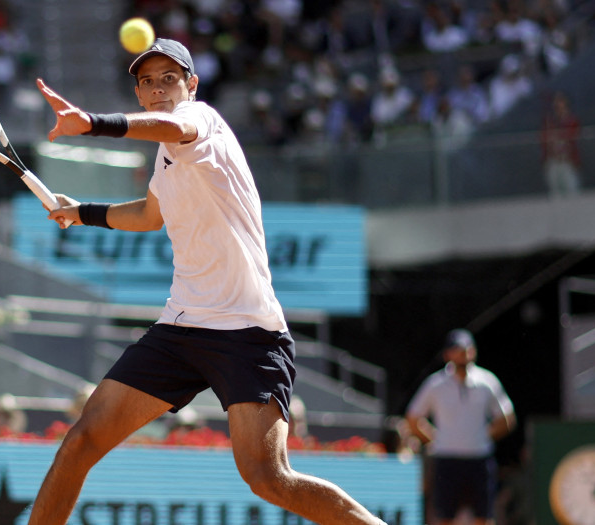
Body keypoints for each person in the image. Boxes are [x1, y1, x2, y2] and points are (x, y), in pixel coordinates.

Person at [31, 38, 385, 524]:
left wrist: (93, 123)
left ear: (191, 85)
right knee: (82, 440)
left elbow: (174, 126)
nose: (158, 89)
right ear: (139, 94)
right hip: (182, 328)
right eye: (148, 82)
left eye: (169, 79)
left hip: (248, 332)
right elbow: (151, 215)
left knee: (267, 477)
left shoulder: (201, 120)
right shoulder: (165, 156)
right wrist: (81, 212)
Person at [405, 329, 516, 525]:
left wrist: (481, 436)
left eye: (467, 349)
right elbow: (413, 418)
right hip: (447, 459)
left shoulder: (487, 381)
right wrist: (436, 438)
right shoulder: (435, 384)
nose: (463, 354)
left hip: (479, 459)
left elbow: (507, 419)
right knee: (444, 517)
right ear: (447, 354)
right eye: (457, 349)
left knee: (484, 517)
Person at [541, 91, 581, 197]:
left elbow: (572, 137)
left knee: (572, 190)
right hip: (554, 161)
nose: (558, 105)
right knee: (555, 193)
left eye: (561, 102)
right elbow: (545, 139)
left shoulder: (571, 121)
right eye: (556, 103)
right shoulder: (550, 121)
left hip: (567, 161)